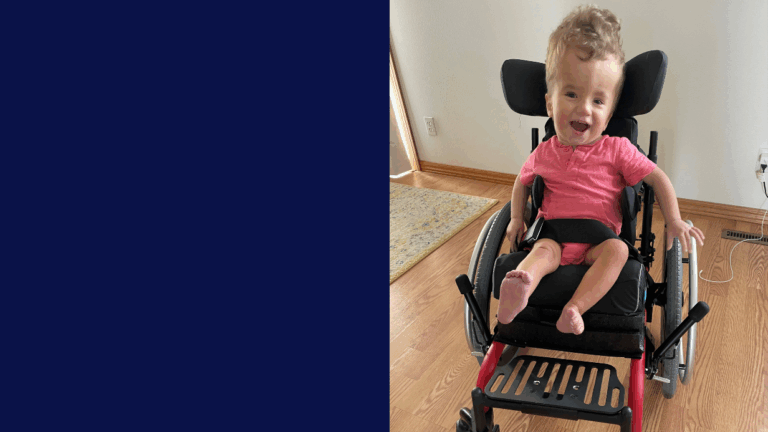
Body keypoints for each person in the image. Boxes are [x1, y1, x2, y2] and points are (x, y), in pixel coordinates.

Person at [497, 5, 705, 335]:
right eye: (571, 94)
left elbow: (658, 178)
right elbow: (521, 182)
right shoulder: (545, 151)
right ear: (550, 104)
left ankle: (574, 310)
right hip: (552, 234)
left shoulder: (618, 149)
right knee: (542, 254)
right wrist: (518, 218)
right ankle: (522, 284)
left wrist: (676, 219)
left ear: (609, 115)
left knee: (618, 250)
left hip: (600, 240)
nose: (584, 108)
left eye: (597, 100)